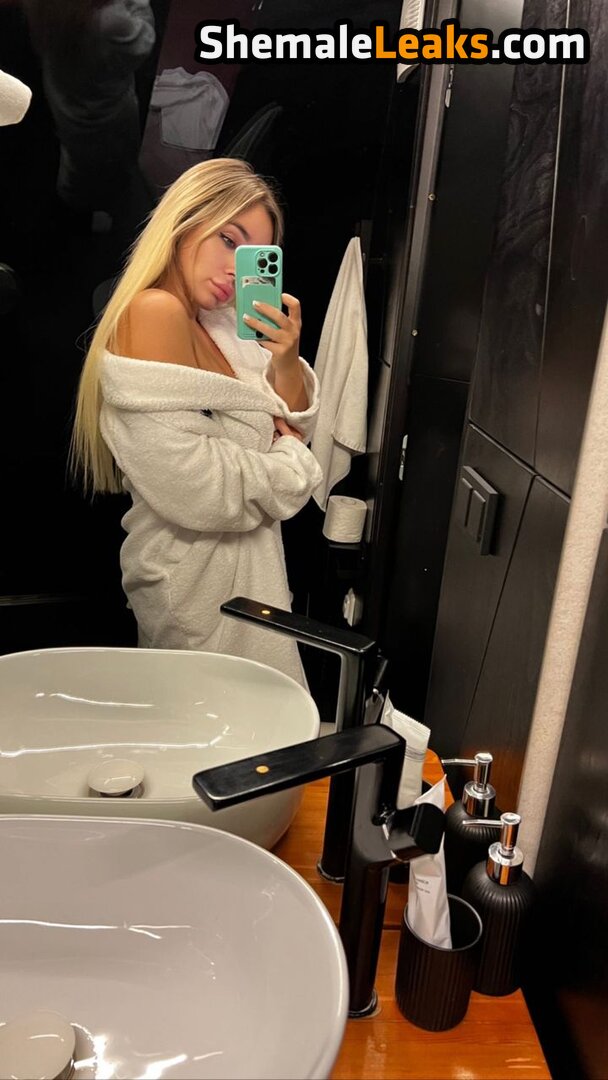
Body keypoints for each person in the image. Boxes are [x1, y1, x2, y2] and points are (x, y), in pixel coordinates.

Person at [70, 158, 322, 685]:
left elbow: (293, 420)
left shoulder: (221, 324)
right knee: (218, 726)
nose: (236, 270)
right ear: (185, 221)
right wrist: (294, 461)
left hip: (243, 571)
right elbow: (200, 487)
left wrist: (285, 359)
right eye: (229, 240)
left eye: (252, 255)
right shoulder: (155, 311)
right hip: (197, 583)